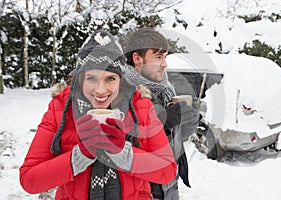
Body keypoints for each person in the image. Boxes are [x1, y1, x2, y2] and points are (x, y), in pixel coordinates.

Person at [19, 29, 177, 200]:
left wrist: (122, 153)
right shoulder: (61, 109)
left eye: (110, 79)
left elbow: (167, 171)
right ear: (80, 79)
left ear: (121, 80)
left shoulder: (141, 107)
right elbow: (29, 180)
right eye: (91, 78)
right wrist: (80, 155)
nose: (100, 90)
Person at [123, 27, 200, 200]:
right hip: (142, 188)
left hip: (170, 184)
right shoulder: (121, 92)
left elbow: (177, 139)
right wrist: (161, 122)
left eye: (165, 57)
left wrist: (189, 118)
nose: (164, 63)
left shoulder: (166, 90)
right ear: (137, 58)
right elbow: (121, 145)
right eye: (158, 56)